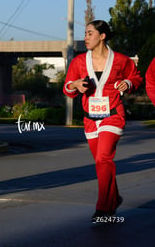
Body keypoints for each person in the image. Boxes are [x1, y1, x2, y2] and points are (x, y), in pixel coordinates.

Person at [63, 20, 142, 223]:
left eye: (90, 33)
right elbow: (67, 87)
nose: (86, 37)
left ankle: (104, 209)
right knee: (101, 163)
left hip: (113, 115)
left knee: (103, 159)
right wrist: (75, 85)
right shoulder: (79, 61)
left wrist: (129, 83)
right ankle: (114, 198)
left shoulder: (122, 60)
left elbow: (136, 77)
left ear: (102, 36)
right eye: (86, 33)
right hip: (90, 119)